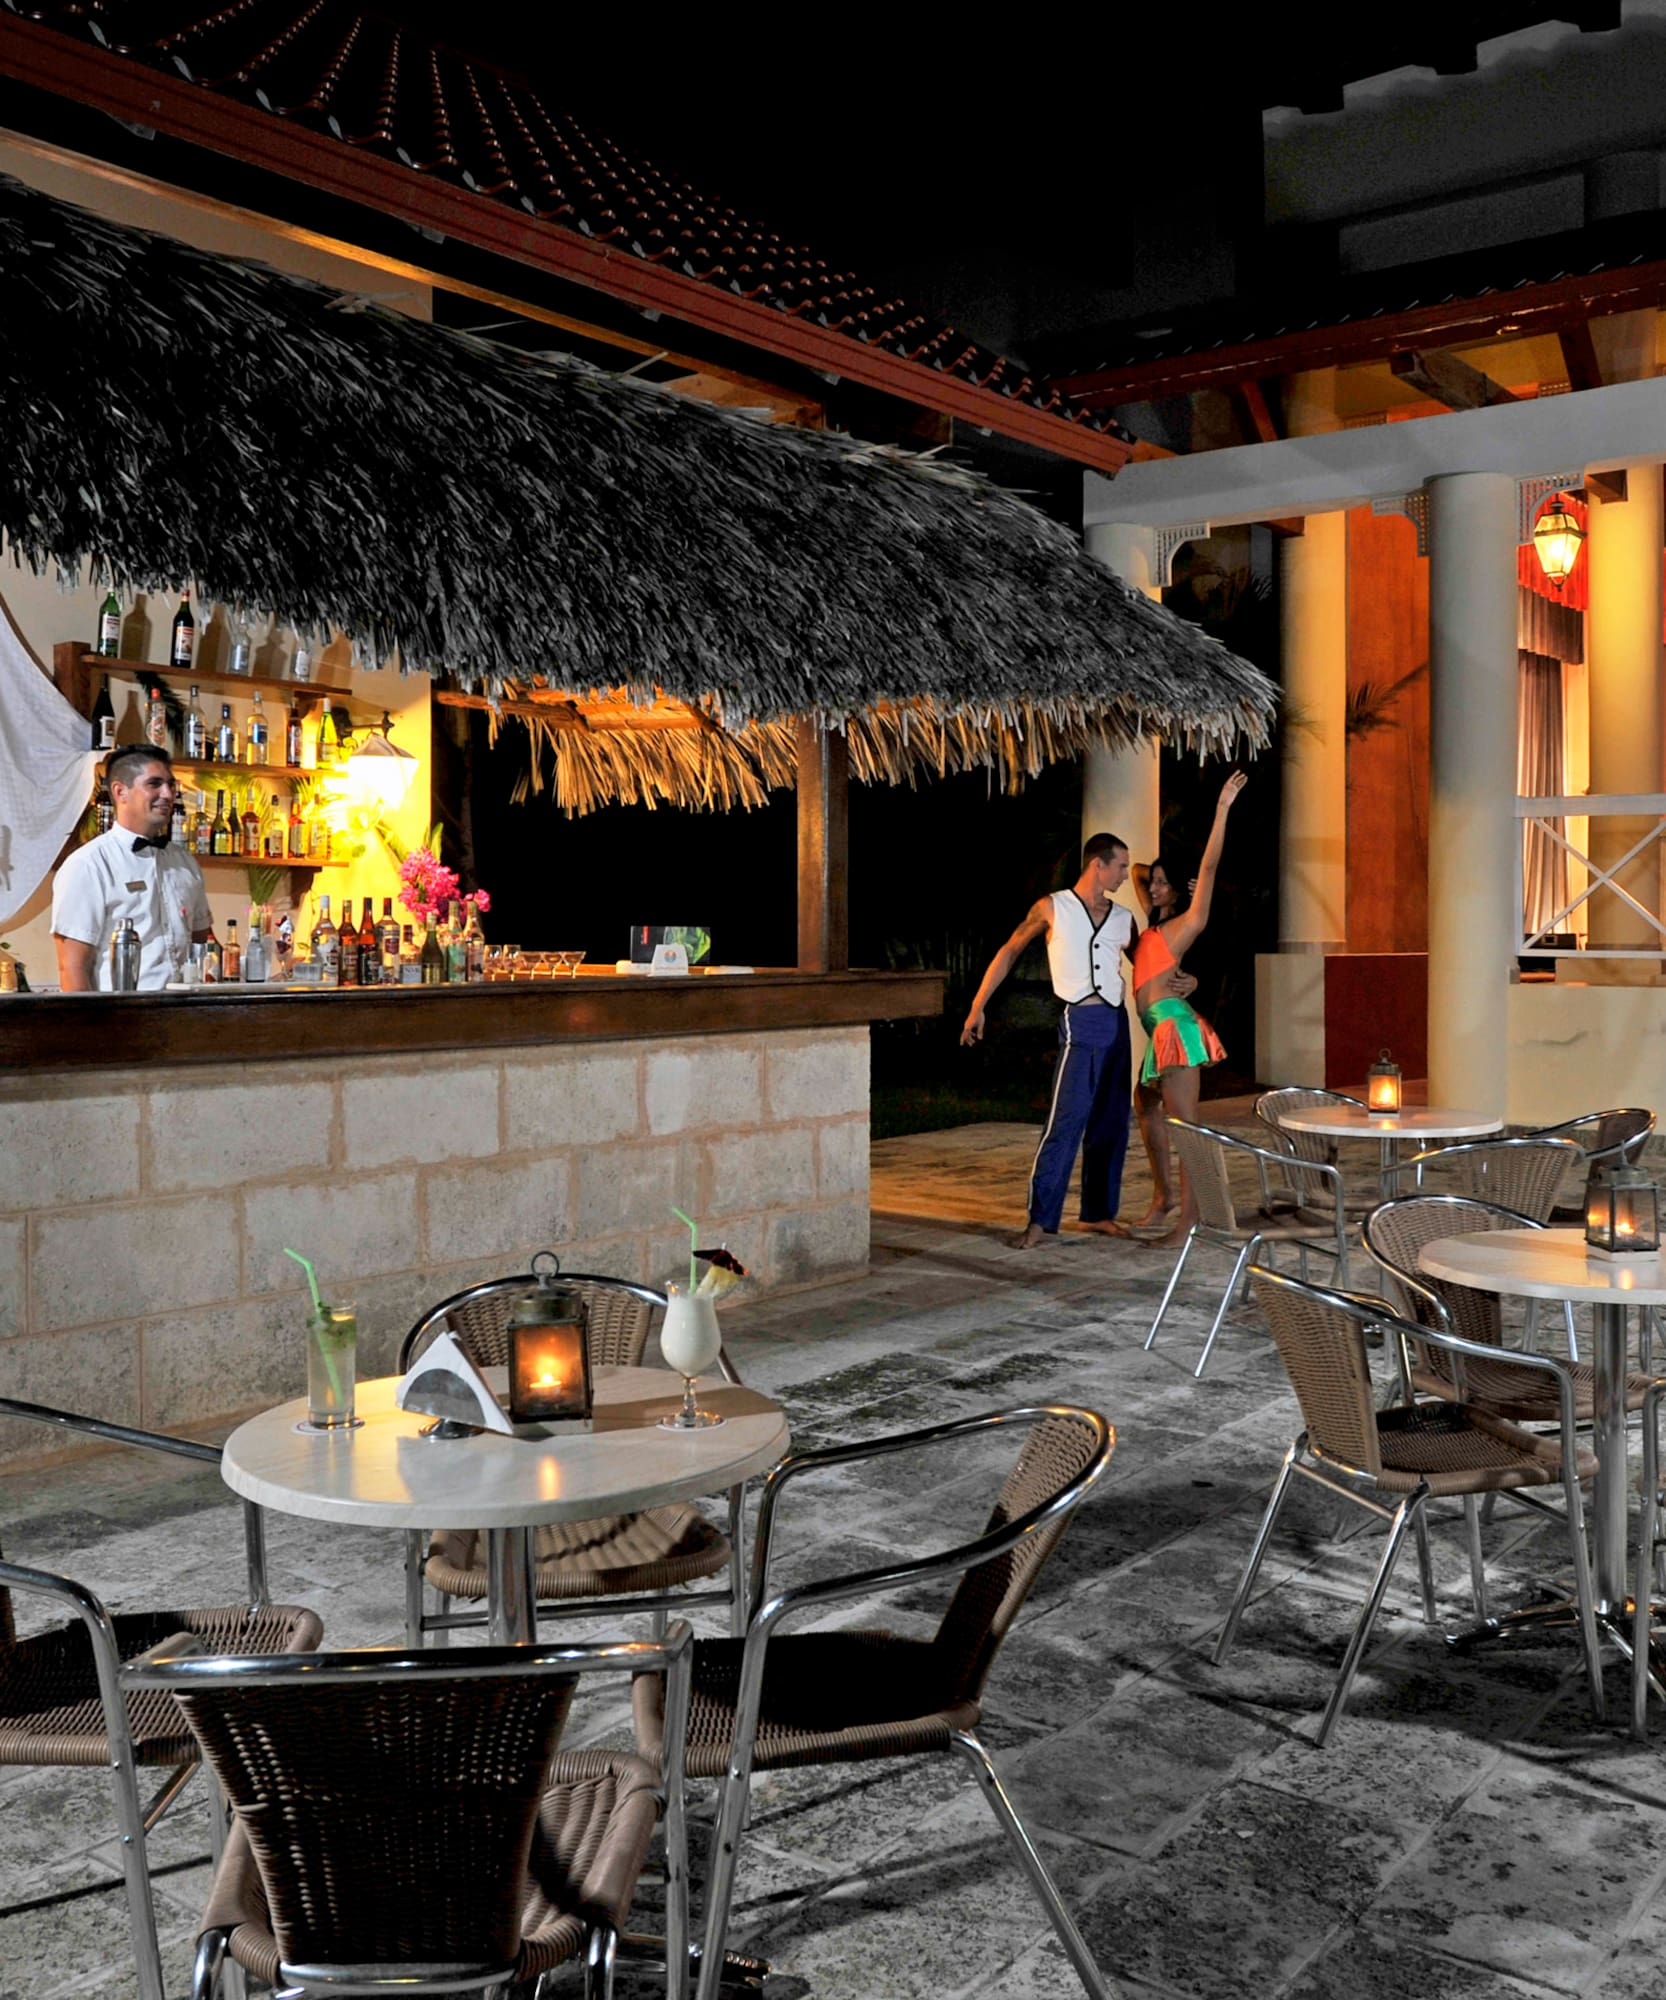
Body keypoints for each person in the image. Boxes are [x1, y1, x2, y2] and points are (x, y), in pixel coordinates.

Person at [961, 832, 1193, 1250]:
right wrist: (978, 1006)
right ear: (1097, 865)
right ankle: (1040, 1220)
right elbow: (1011, 950)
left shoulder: (1124, 919)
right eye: (1121, 866)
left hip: (1116, 1023)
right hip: (1079, 1020)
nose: (1127, 874)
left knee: (1111, 1121)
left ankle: (1098, 1213)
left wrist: (1190, 980)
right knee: (1064, 1123)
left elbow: (1151, 965)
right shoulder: (1053, 907)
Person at [1130, 770, 1246, 1246]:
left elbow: (1210, 868)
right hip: (1157, 1030)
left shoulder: (1183, 924)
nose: (1152, 887)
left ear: (1176, 890)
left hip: (1174, 1028)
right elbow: (1137, 870)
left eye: (1161, 884)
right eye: (1154, 884)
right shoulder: (1153, 929)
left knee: (1186, 1131)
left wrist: (1221, 809)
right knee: (1146, 1107)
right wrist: (1163, 876)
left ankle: (1190, 1222)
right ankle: (1165, 1198)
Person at [52, 745, 210, 991]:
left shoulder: (185, 862)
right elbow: (72, 968)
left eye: (171, 784)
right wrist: (90, 1029)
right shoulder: (88, 865)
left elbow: (204, 944)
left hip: (186, 1016)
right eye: (154, 784)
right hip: (121, 1018)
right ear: (120, 792)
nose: (168, 794)